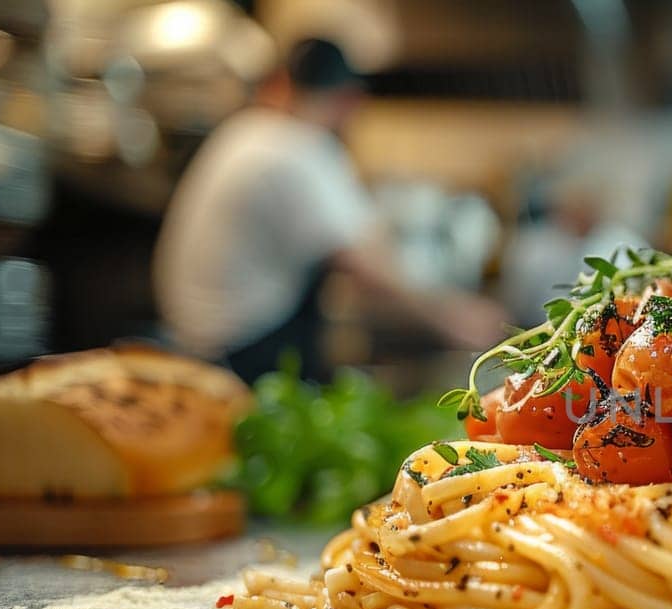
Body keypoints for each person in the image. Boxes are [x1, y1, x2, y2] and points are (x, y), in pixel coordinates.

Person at [154, 38, 507, 382]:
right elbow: (369, 267)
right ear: (349, 100)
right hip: (241, 355)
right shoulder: (296, 148)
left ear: (282, 81)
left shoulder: (243, 130)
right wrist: (456, 319)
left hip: (191, 342)